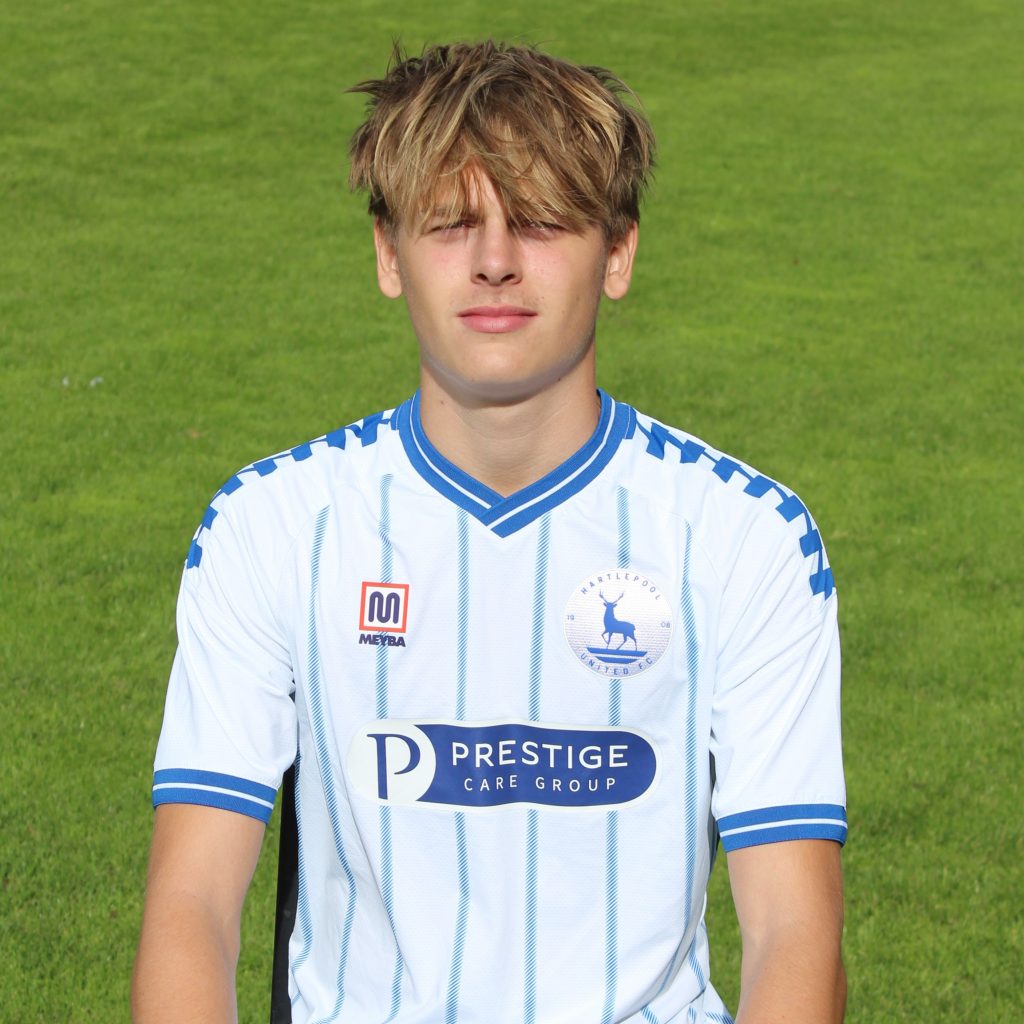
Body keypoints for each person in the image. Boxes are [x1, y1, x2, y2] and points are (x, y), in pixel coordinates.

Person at [133, 41, 847, 1024]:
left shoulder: (744, 538)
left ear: (619, 253)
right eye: (451, 223)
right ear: (389, 255)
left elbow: (792, 931)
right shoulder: (275, 527)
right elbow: (193, 904)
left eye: (542, 221)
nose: (496, 261)